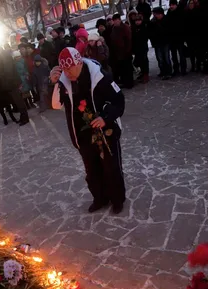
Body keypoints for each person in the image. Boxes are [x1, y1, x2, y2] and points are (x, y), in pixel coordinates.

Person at [50, 47, 126, 214]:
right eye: (65, 70)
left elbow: (119, 100)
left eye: (71, 69)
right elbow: (56, 105)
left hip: (105, 131)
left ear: (79, 63)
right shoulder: (64, 79)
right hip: (82, 133)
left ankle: (117, 199)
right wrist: (56, 83)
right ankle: (100, 198)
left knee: (111, 167)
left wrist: (105, 118)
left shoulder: (100, 75)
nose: (68, 73)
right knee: (91, 170)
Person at [110, 14, 134, 89]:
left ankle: (130, 83)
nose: (115, 22)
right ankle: (125, 82)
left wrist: (128, 50)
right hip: (118, 52)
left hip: (126, 51)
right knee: (122, 68)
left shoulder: (125, 27)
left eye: (117, 20)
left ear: (119, 20)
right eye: (114, 21)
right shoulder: (113, 28)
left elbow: (129, 40)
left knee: (128, 68)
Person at [149, 7, 173, 80]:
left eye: (156, 14)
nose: (155, 15)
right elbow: (151, 33)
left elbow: (168, 32)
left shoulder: (166, 20)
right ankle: (162, 71)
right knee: (160, 58)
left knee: (166, 57)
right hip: (157, 43)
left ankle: (168, 72)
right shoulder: (153, 22)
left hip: (165, 42)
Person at [166, 0, 187, 76]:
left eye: (173, 5)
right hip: (172, 39)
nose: (171, 6)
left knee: (182, 55)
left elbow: (183, 25)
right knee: (174, 56)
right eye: (170, 5)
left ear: (176, 5)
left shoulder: (181, 12)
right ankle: (176, 70)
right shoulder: (169, 13)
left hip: (179, 38)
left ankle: (183, 69)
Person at [184, 0, 202, 72]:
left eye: (192, 3)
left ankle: (198, 65)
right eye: (190, 3)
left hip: (197, 35)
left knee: (197, 51)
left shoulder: (198, 12)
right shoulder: (186, 13)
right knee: (191, 52)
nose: (191, 5)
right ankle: (193, 66)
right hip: (189, 36)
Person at [132, 14, 150, 83]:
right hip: (137, 48)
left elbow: (145, 37)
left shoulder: (144, 27)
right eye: (136, 21)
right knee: (139, 61)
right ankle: (142, 73)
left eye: (139, 20)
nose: (137, 22)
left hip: (143, 47)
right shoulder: (134, 28)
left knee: (144, 61)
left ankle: (145, 75)